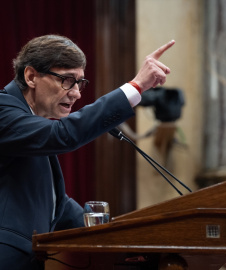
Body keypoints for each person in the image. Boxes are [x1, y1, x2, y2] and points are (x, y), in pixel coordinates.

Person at [0, 34, 175, 270]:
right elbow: (63, 135)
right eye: (67, 80)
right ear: (31, 76)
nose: (76, 93)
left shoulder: (33, 124)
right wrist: (135, 87)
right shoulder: (4, 111)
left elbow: (56, 207)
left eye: (80, 82)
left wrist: (121, 235)